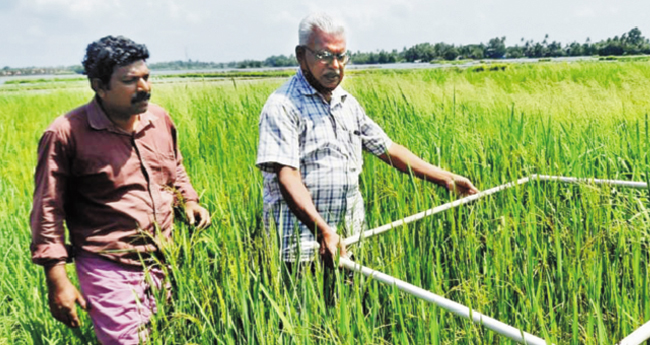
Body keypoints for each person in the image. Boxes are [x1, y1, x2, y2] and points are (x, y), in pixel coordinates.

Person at [256, 13, 478, 269]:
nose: (335, 65)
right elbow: (288, 175)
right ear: (301, 56)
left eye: (341, 56)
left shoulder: (346, 102)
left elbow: (388, 148)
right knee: (301, 309)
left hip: (348, 241)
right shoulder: (282, 106)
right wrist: (322, 231)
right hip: (301, 249)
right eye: (324, 56)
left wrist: (447, 180)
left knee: (348, 306)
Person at [30, 36, 211, 344]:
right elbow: (48, 209)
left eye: (146, 77)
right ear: (99, 85)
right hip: (108, 266)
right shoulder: (65, 133)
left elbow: (174, 167)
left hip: (164, 259)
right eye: (130, 80)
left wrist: (189, 201)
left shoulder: (159, 119)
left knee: (162, 337)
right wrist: (56, 279)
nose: (144, 88)